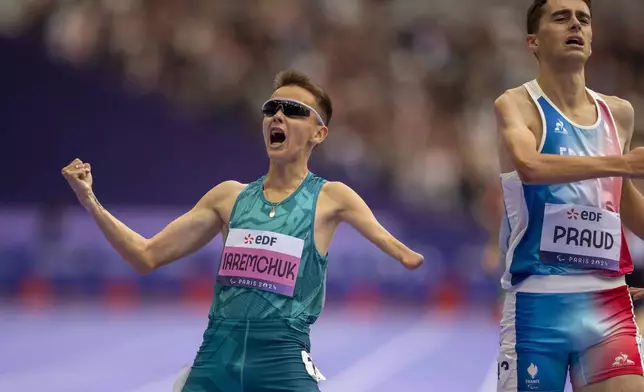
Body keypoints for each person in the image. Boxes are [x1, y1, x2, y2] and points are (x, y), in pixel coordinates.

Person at [61, 69, 424, 392]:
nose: (278, 115)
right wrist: (90, 201)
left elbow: (398, 248)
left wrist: (406, 255)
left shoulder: (331, 197)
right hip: (217, 360)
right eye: (271, 108)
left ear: (319, 133)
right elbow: (145, 256)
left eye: (294, 110)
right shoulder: (228, 198)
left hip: (281, 362)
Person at [494, 0, 644, 391]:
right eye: (561, 17)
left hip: (606, 299)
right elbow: (531, 167)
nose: (575, 24)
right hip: (537, 304)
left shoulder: (619, 113)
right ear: (533, 41)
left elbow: (624, 201)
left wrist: (621, 169)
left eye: (583, 19)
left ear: (591, 39)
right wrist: (623, 163)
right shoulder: (517, 105)